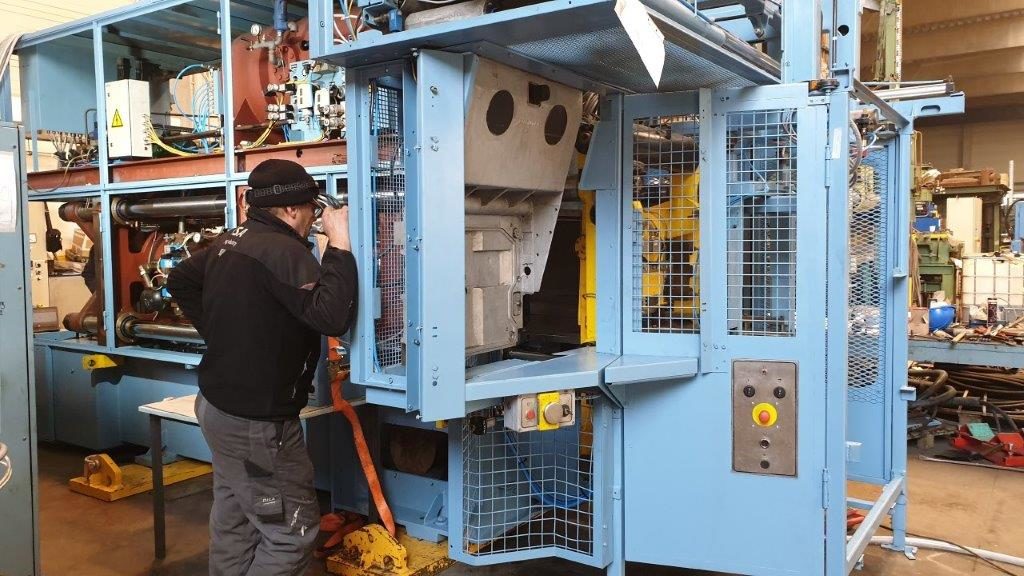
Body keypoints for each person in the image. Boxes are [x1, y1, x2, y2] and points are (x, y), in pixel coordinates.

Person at [166, 159, 357, 576]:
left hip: (217, 409)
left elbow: (179, 278)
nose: (313, 218)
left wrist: (222, 335)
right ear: (290, 209)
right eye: (311, 209)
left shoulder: (232, 239)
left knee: (236, 519)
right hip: (257, 427)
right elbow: (332, 317)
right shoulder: (286, 252)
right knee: (291, 535)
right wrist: (340, 244)